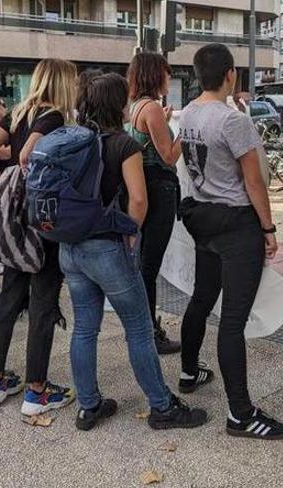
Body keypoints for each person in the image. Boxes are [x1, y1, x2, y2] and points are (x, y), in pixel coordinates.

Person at [62, 72, 208, 431]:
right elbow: (139, 200)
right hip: (107, 247)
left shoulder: (73, 138)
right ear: (116, 104)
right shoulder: (122, 145)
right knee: (140, 329)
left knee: (84, 329)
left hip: (71, 248)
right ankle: (162, 407)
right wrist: (130, 236)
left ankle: (88, 404)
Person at [177, 44, 283, 440]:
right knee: (232, 323)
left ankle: (189, 372)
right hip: (236, 224)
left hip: (203, 218)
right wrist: (269, 228)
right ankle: (241, 415)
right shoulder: (232, 120)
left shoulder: (188, 113)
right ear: (230, 75)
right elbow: (253, 181)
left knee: (202, 297)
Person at [0, 58, 75, 415]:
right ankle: (36, 390)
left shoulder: (18, 112)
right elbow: (29, 153)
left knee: (9, 296)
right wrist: (32, 182)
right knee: (43, 301)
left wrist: (1, 183)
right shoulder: (55, 117)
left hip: (14, 218)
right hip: (42, 218)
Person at [125, 52, 183, 355]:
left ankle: (144, 327)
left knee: (143, 262)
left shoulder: (134, 107)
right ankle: (150, 331)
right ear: (154, 74)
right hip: (159, 189)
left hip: (142, 186)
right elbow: (169, 156)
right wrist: (185, 129)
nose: (169, 79)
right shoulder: (153, 110)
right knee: (150, 266)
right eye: (166, 72)